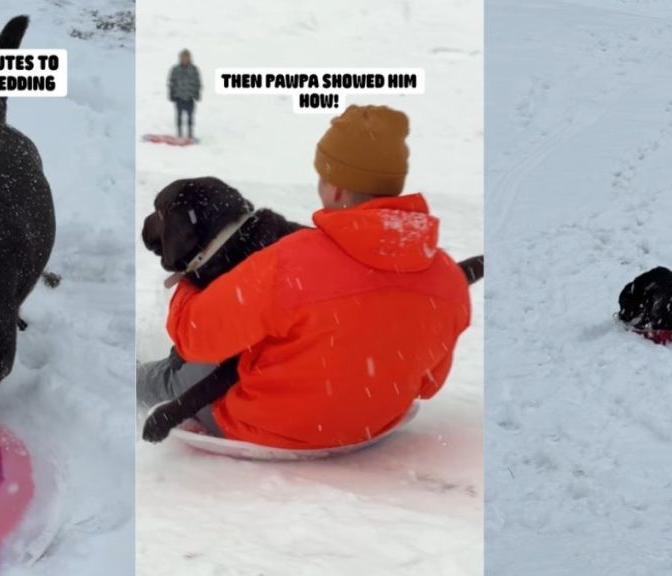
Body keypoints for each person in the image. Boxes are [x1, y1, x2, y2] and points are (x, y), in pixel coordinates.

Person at [139, 105, 472, 450]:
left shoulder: (289, 263)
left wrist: (190, 279)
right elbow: (428, 384)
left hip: (265, 427)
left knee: (176, 375)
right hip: (372, 425)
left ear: (336, 189)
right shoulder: (448, 277)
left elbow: (194, 335)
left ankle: (124, 381)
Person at [167, 49, 201, 139]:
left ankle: (190, 134)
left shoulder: (194, 69)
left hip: (190, 97)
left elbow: (198, 83)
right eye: (182, 57)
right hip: (179, 97)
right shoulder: (175, 69)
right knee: (179, 117)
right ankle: (179, 134)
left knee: (190, 117)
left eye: (186, 57)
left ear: (189, 58)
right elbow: (171, 83)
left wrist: (197, 94)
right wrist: (171, 94)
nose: (184, 59)